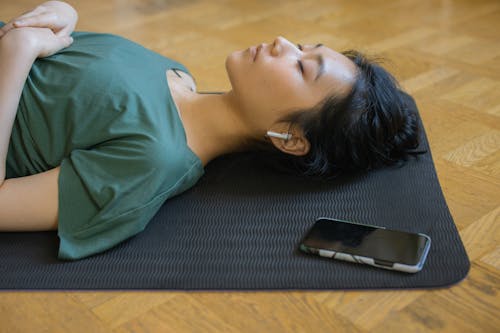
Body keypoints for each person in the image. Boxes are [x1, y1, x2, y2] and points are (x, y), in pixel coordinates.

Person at [0, 1, 423, 260]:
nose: (280, 41)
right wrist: (64, 17)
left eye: (300, 66)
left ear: (291, 138)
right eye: (302, 45)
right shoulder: (176, 74)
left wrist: (17, 52)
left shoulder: (152, 161)